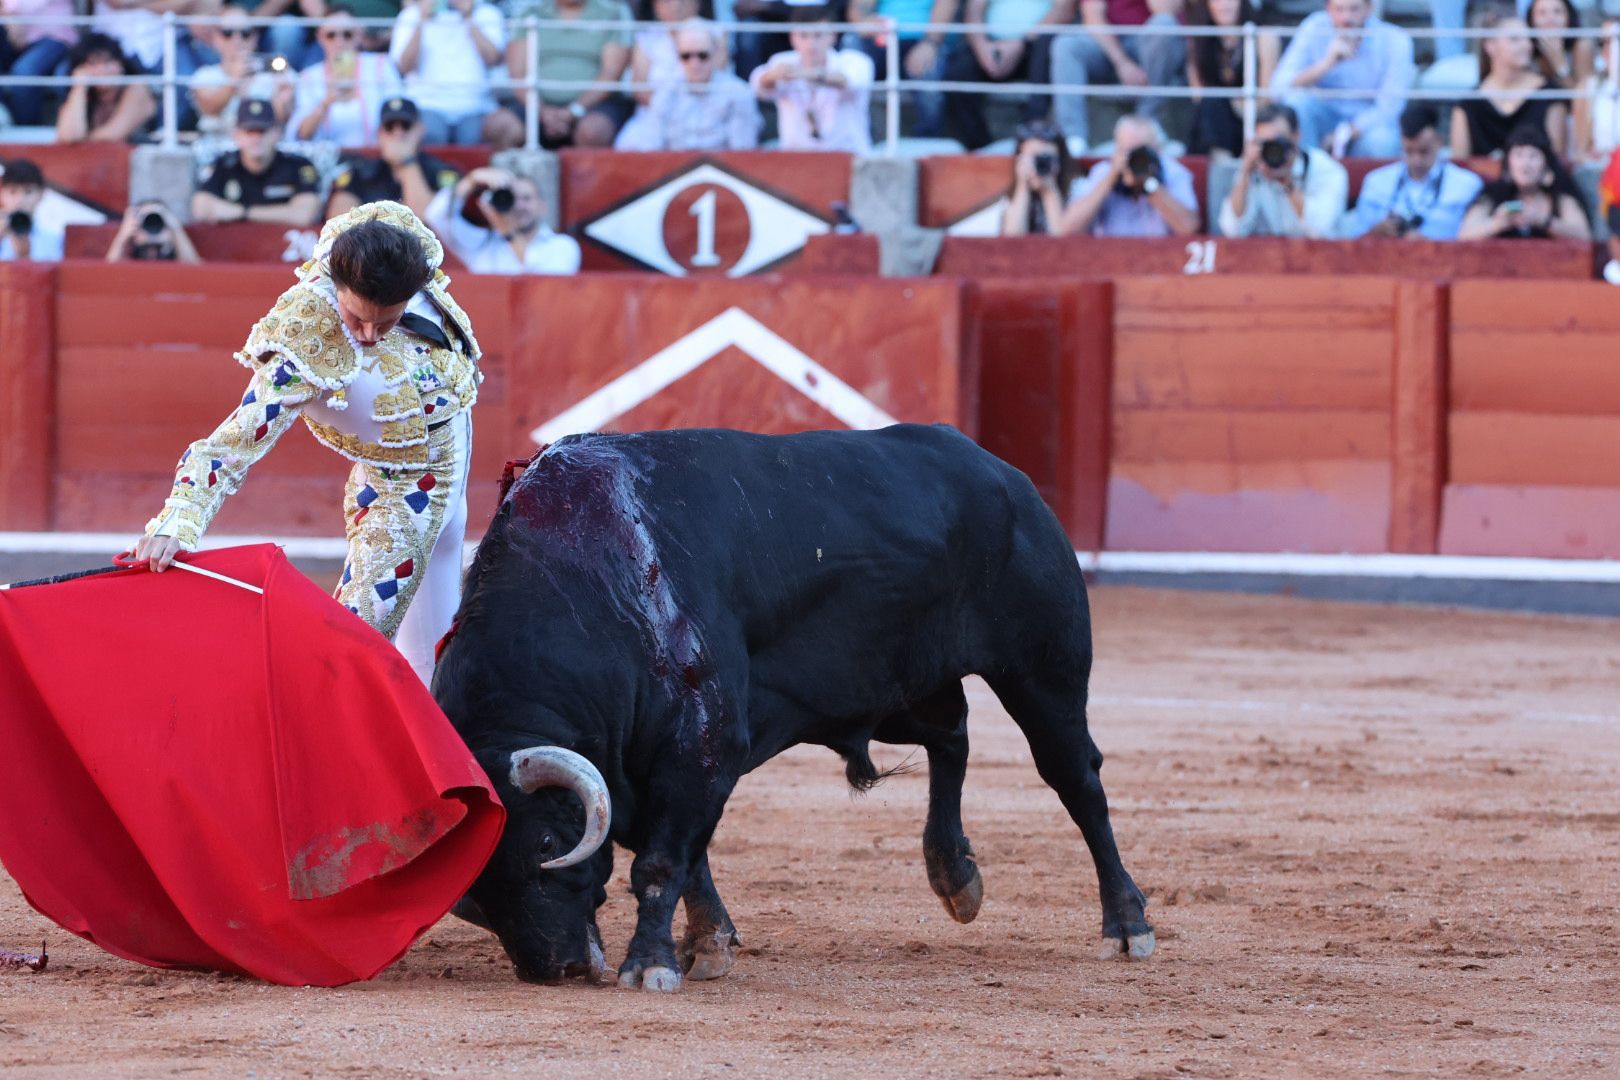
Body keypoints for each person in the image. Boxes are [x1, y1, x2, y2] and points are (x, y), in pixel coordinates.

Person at [132, 202, 483, 685]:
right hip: (399, 492)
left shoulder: (404, 250)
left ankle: (438, 751)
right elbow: (236, 438)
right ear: (334, 285)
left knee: (443, 655)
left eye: (386, 322)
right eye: (357, 317)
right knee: (350, 649)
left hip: (453, 473)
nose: (367, 334)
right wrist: (180, 518)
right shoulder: (305, 338)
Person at [1269, 0, 1414, 159]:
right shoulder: (1314, 27)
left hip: (1366, 126)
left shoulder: (1395, 39)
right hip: (1323, 118)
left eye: (1354, 9)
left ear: (1369, 9)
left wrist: (1346, 133)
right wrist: (1326, 64)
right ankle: (1308, 174)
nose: (1346, 17)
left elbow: (1390, 108)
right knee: (1297, 102)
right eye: (1339, 9)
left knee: (1383, 141)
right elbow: (1278, 88)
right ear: (1328, 9)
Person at [1051, 0, 1189, 154]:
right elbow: (1093, 17)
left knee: (1164, 25)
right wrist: (1122, 63)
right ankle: (1073, 142)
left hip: (1153, 46)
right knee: (1066, 45)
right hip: (1112, 46)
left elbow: (1165, 10)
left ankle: (1147, 126)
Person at [504, 0, 636, 148]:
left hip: (596, 105)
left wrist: (573, 111)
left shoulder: (613, 11)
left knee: (593, 131)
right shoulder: (530, 12)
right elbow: (517, 73)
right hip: (535, 104)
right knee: (500, 126)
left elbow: (611, 73)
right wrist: (541, 111)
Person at [1343, 103, 1484, 240]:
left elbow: (1471, 241)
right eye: (1409, 151)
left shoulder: (1467, 185)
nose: (1416, 161)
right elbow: (1355, 242)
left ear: (1439, 142)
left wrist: (1430, 244)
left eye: (1424, 151)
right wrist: (1376, 232)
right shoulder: (1376, 182)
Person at [391, 0, 522, 146]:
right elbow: (404, 66)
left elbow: (493, 59)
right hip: (425, 104)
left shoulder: (487, 13)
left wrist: (469, 18)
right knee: (430, 136)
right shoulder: (410, 16)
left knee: (474, 139)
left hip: (475, 105)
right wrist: (421, 21)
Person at [750, 5, 875, 152]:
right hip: (796, 161)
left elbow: (850, 80)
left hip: (848, 155)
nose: (811, 44)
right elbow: (757, 84)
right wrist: (771, 77)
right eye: (803, 35)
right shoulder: (781, 62)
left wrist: (807, 74)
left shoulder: (855, 60)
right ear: (792, 37)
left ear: (833, 36)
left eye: (818, 35)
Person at [619, 22, 761, 150]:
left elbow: (742, 150)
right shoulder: (666, 93)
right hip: (674, 171)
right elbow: (653, 146)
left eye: (702, 55)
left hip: (723, 173)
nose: (695, 64)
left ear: (716, 54)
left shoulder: (738, 93)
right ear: (678, 57)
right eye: (686, 56)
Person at [941, 0, 1059, 151]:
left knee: (1048, 50)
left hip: (1036, 44)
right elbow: (974, 11)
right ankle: (980, 150)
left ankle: (1032, 142)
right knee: (959, 72)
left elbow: (1063, 10)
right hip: (992, 45)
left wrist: (1021, 43)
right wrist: (982, 48)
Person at [1217, 101, 1347, 238]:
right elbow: (1231, 229)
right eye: (1264, 144)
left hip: (1318, 256)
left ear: (1296, 136)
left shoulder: (1327, 170)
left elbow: (1322, 230)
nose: (1272, 151)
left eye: (1278, 142)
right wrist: (1245, 171)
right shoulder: (1254, 169)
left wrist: (1288, 183)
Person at [1450, 8, 1566, 160]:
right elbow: (1460, 164)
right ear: (1490, 46)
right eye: (1515, 39)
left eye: (1528, 38)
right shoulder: (1468, 104)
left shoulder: (1550, 95)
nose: (1527, 45)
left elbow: (1557, 158)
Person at [1056, 113, 1198, 236]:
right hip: (1109, 261)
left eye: (1140, 153)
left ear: (1158, 150)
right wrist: (1111, 178)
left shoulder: (1173, 172)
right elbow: (1068, 230)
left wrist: (1149, 184)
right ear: (1116, 149)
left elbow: (1189, 228)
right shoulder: (1103, 172)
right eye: (1126, 151)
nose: (1131, 159)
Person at [424, 166, 582, 275]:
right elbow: (436, 215)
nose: (519, 206)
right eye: (512, 199)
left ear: (542, 206)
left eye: (527, 198)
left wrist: (507, 231)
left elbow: (544, 282)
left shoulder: (563, 246)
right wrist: (472, 179)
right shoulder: (482, 244)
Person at [192, 99, 322, 226]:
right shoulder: (223, 165)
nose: (256, 139)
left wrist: (243, 212)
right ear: (236, 135)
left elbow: (305, 215)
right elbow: (200, 209)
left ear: (276, 133)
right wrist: (282, 213)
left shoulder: (297, 165)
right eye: (249, 131)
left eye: (262, 131)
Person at [327, 98, 462, 220]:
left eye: (406, 125)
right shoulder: (361, 171)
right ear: (380, 134)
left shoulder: (441, 171)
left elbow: (428, 217)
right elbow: (339, 221)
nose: (398, 133)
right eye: (389, 126)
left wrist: (407, 162)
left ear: (420, 130)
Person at [290, 4, 405, 145]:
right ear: (320, 38)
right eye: (331, 35)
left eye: (347, 35)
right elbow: (302, 134)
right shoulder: (308, 78)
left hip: (376, 156)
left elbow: (400, 114)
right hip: (326, 159)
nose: (340, 42)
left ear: (358, 35)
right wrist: (326, 103)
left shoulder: (382, 65)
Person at [1458, 122, 1591, 240]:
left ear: (1546, 165)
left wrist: (1542, 220)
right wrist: (1498, 224)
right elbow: (1463, 237)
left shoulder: (1561, 200)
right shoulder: (1492, 197)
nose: (1525, 165)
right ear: (1508, 164)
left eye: (1533, 156)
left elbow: (1584, 237)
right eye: (1518, 155)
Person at [1185, 0, 1278, 158]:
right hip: (1212, 118)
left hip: (1250, 117)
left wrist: (1236, 105)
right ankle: (1218, 160)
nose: (1224, 4)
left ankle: (1221, 163)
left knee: (1213, 102)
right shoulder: (1199, 41)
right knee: (1211, 102)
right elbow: (1198, 94)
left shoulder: (1263, 37)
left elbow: (1267, 96)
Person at [848, 0, 953, 138]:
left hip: (923, 41)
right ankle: (856, 139)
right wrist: (865, 22)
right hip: (882, 38)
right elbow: (858, 8)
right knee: (851, 46)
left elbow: (947, 4)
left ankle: (928, 143)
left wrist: (930, 43)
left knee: (929, 70)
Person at [191, 8, 297, 137]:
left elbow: (282, 122)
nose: (237, 40)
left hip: (261, 149)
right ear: (216, 38)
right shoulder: (204, 75)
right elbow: (209, 109)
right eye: (227, 33)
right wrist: (234, 82)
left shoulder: (277, 74)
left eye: (245, 33)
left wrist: (282, 101)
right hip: (217, 147)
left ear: (255, 38)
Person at [54, 32, 157, 144]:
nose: (102, 70)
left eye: (107, 62)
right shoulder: (83, 95)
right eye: (93, 64)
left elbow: (113, 135)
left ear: (120, 65)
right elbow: (68, 137)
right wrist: (79, 89)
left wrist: (79, 144)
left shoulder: (137, 88)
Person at [0, 0, 76, 127]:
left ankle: (25, 133)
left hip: (55, 38)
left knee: (24, 74)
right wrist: (9, 17)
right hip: (14, 39)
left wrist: (10, 14)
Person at [1000, 119, 1075, 235]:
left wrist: (1049, 192)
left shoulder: (1076, 191)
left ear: (1060, 162)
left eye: (1046, 159)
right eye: (1033, 159)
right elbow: (1012, 239)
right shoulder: (1011, 197)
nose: (1039, 166)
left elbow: (1063, 241)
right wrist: (1022, 186)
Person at [0, 158, 63, 262]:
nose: (20, 200)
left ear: (41, 194)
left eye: (28, 192)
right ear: (2, 194)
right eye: (13, 191)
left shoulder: (54, 240)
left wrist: (25, 257)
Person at [105, 201, 202, 263]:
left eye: (157, 220)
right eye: (146, 220)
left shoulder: (177, 260)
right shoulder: (129, 260)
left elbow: (196, 273)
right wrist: (123, 237)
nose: (151, 225)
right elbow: (109, 274)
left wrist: (176, 229)